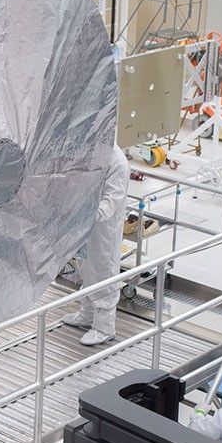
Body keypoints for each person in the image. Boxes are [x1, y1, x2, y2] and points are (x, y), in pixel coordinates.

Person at [63, 146, 131, 347]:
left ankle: (104, 328)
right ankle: (87, 314)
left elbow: (110, 203)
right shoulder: (91, 152)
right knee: (85, 269)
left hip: (103, 230)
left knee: (103, 272)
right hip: (83, 226)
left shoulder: (117, 162)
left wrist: (84, 213)